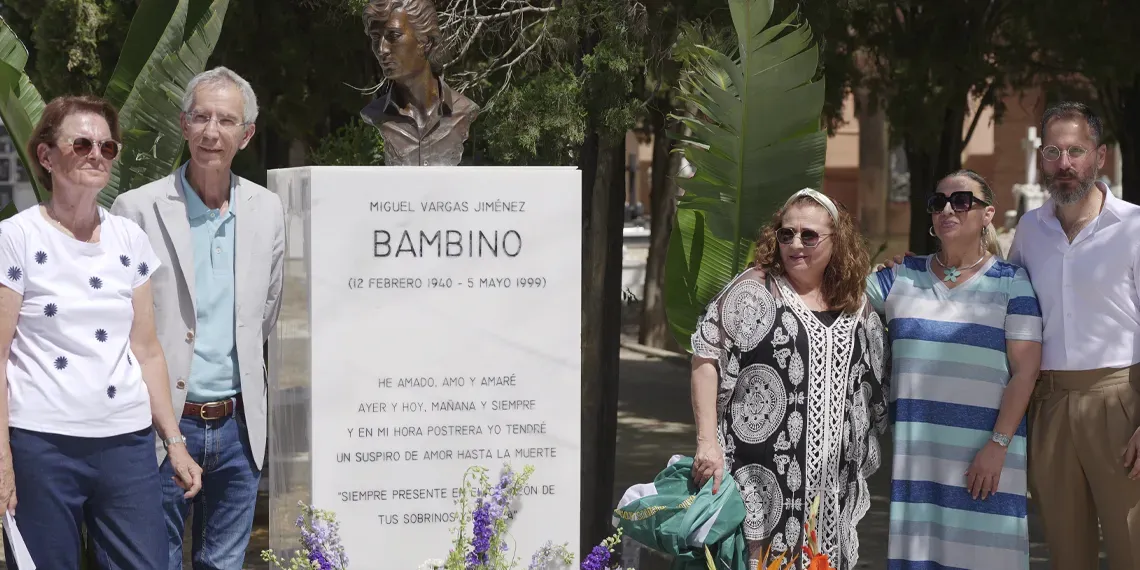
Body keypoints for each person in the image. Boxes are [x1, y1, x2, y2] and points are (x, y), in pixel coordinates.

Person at [0, 95, 203, 568]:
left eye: (107, 147)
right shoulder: (16, 237)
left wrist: (173, 442)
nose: (97, 153)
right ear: (46, 156)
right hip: (41, 445)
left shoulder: (129, 239)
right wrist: (2, 459)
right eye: (82, 143)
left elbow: (147, 350)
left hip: (127, 446)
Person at [111, 67, 285, 570]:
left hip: (238, 429)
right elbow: (123, 325)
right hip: (159, 429)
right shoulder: (136, 210)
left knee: (225, 564)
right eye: (201, 117)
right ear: (184, 125)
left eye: (226, 120)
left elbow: (265, 314)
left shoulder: (267, 210)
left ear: (246, 135)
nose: (212, 131)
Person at [689, 189, 888, 570]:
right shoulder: (756, 288)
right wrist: (707, 442)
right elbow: (705, 354)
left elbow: (873, 381)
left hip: (830, 491)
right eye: (786, 234)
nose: (796, 244)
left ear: (837, 240)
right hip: (758, 486)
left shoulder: (857, 303)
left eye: (809, 235)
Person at [866, 170, 1042, 569]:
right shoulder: (899, 279)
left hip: (987, 465)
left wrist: (997, 447)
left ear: (987, 215)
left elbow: (1026, 372)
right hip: (918, 468)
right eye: (939, 201)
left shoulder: (1012, 283)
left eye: (962, 200)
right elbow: (832, 295)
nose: (948, 208)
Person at [1006, 102, 1140, 569]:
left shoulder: (1135, 227)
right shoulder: (1028, 229)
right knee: (1066, 554)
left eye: (1076, 151)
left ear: (1100, 156)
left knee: (1132, 548)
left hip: (1122, 404)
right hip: (1050, 406)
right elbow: (1001, 303)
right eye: (1053, 152)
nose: (1064, 164)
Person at [360, 0, 480, 165]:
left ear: (426, 42)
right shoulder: (374, 116)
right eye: (375, 38)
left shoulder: (464, 112)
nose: (382, 49)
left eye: (393, 36)